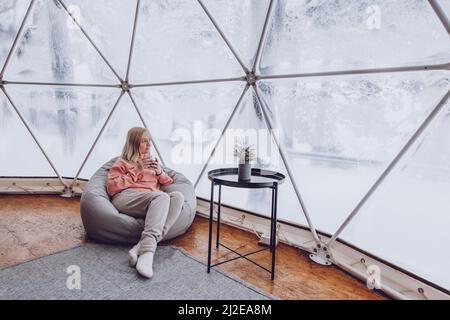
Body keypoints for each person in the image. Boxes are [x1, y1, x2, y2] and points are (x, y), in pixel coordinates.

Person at [106, 127, 184, 278]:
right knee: (162, 197)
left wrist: (159, 171)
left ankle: (140, 247)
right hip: (127, 197)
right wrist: (137, 169)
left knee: (178, 197)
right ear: (134, 143)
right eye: (144, 141)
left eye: (150, 141)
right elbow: (112, 186)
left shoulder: (152, 162)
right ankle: (148, 253)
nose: (149, 145)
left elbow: (168, 181)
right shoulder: (122, 162)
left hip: (152, 200)